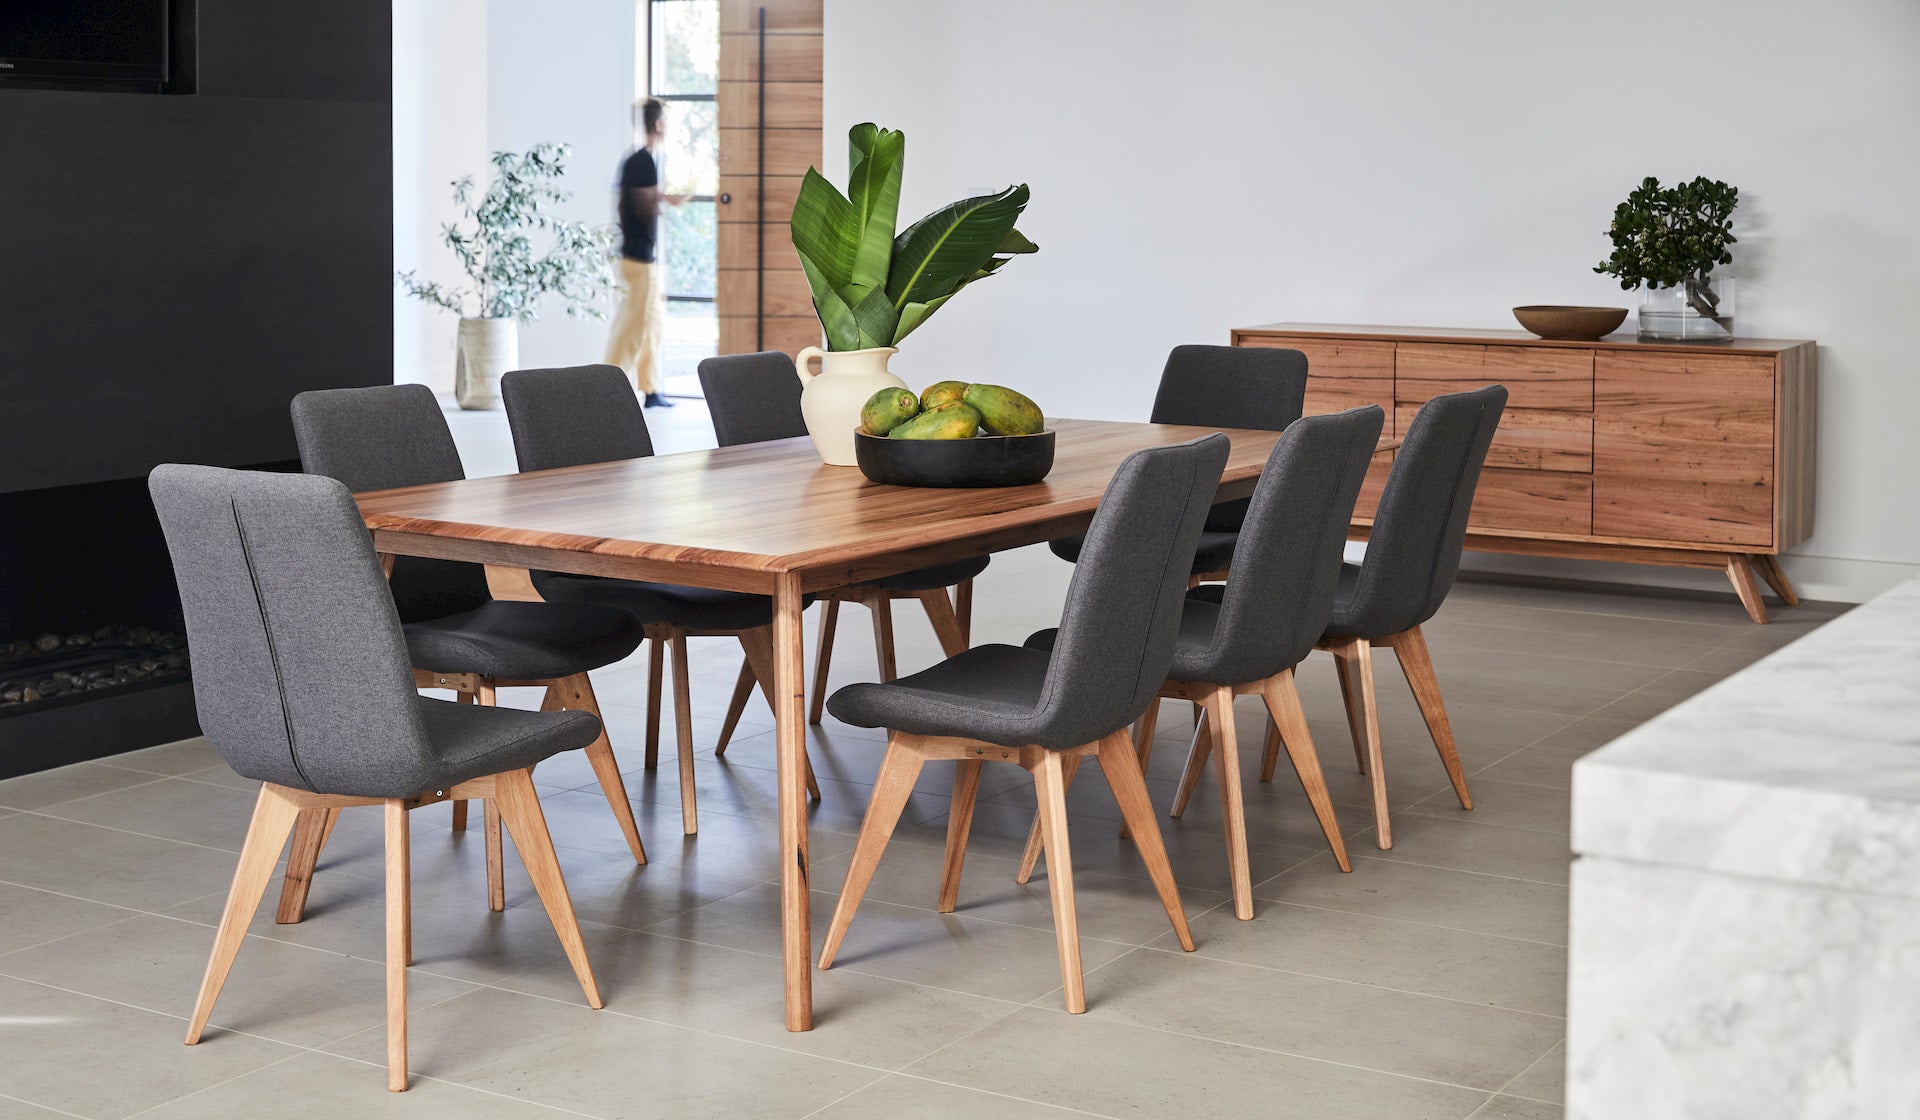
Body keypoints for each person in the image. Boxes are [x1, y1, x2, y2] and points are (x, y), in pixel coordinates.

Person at [604, 98, 688, 408]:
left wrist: (664, 199)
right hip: (637, 260)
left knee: (651, 325)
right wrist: (661, 203)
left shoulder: (639, 161)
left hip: (641, 259)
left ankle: (651, 390)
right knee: (631, 327)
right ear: (657, 125)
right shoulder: (642, 162)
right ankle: (606, 388)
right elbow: (642, 206)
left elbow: (642, 199)